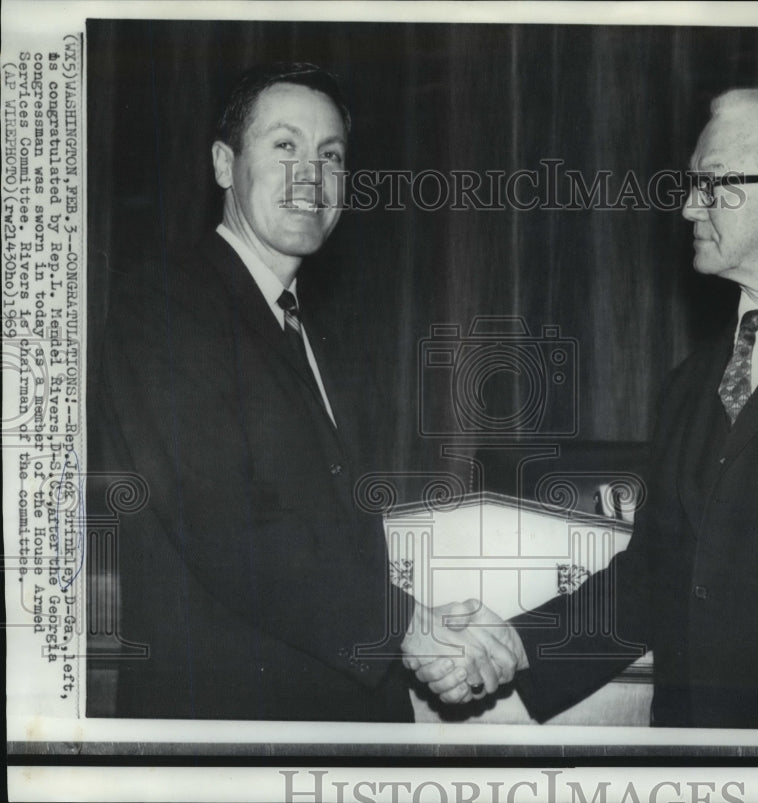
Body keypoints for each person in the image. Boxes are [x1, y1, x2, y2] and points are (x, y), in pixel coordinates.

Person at [413, 88, 758, 731]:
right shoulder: (692, 381)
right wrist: (512, 647)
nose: (688, 204)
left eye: (712, 183)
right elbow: (659, 573)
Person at [90, 62, 519, 721]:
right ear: (224, 163)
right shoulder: (166, 306)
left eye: (331, 155)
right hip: (232, 736)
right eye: (284, 145)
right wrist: (404, 627)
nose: (310, 175)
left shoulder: (320, 329)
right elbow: (225, 524)